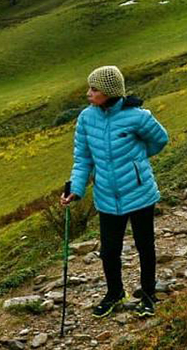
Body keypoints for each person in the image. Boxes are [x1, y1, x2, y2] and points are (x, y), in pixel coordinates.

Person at [60, 65, 169, 318]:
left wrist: (138, 162)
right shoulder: (86, 118)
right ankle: (115, 293)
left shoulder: (138, 117)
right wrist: (75, 190)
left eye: (94, 89)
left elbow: (160, 139)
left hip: (140, 192)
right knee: (109, 250)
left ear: (109, 91)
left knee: (145, 246)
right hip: (107, 196)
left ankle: (149, 295)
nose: (88, 93)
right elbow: (82, 158)